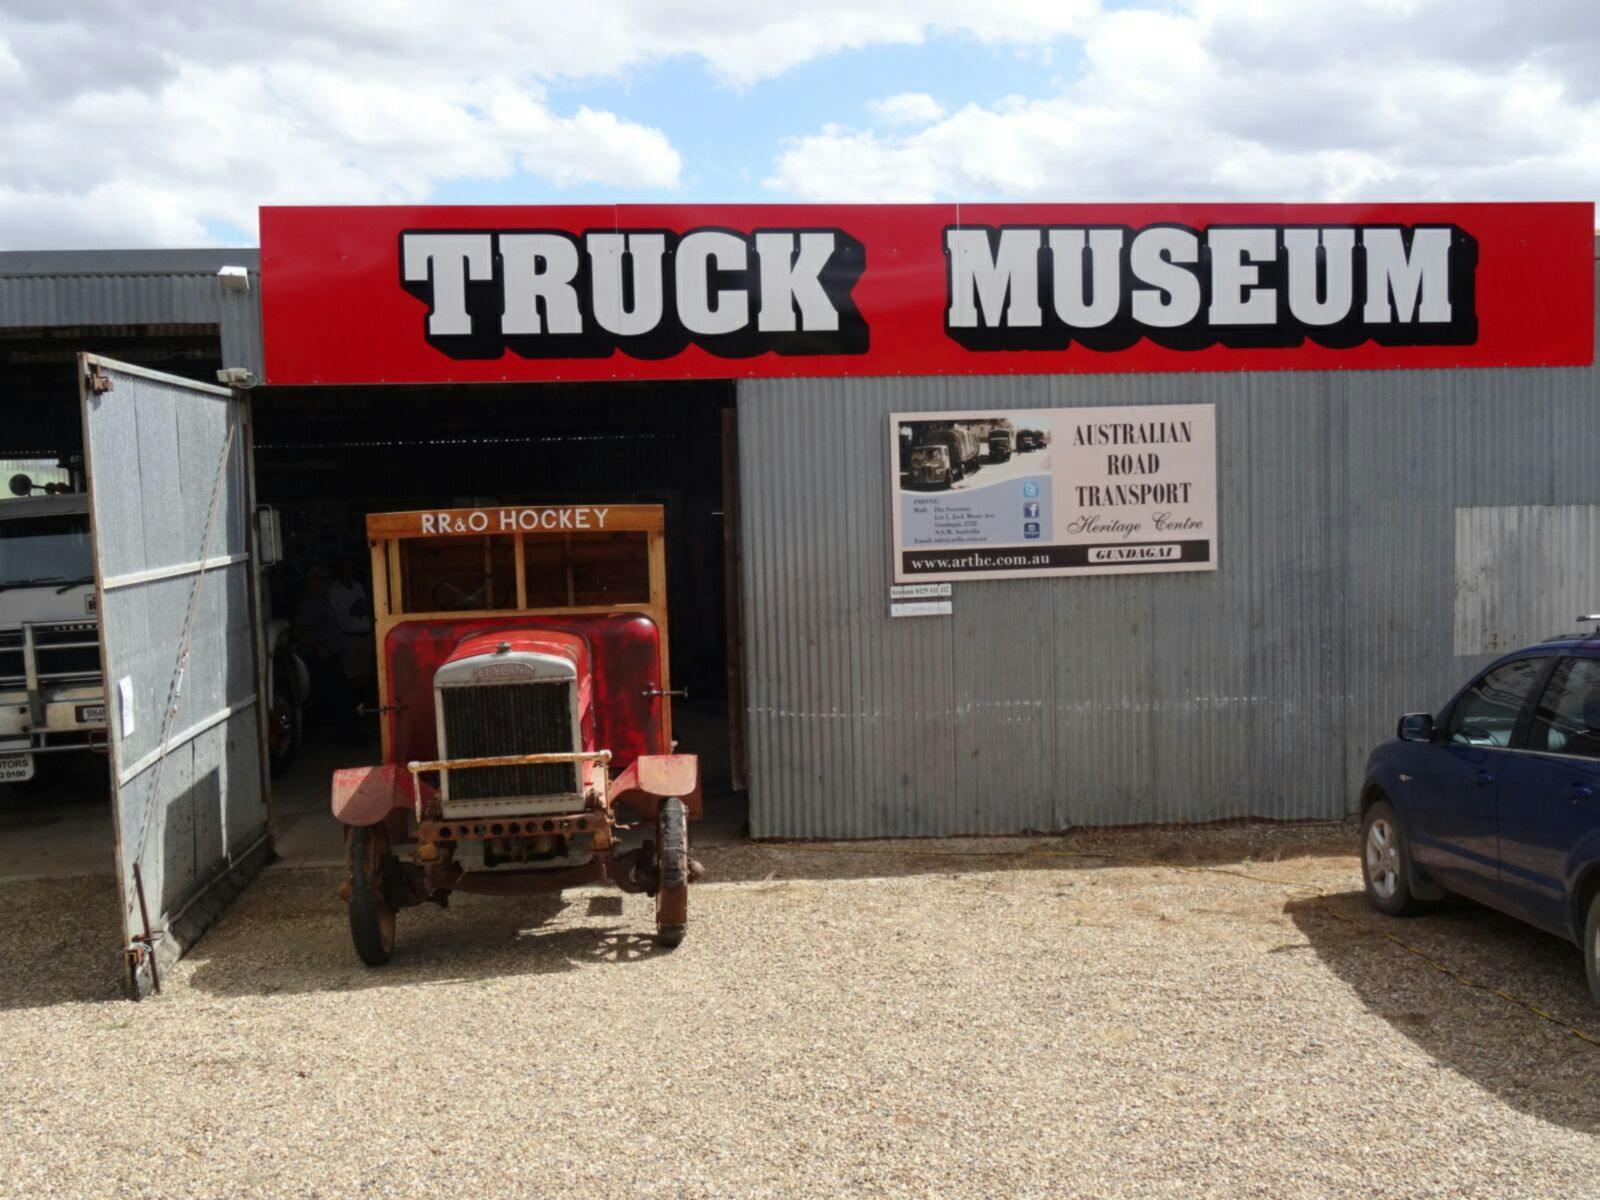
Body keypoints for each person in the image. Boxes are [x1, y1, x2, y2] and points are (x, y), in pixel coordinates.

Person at [293, 564, 357, 742]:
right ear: (311, 580)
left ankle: (346, 733)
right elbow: (298, 630)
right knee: (337, 694)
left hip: (332, 653)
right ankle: (345, 735)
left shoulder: (323, 599)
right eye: (321, 578)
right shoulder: (309, 602)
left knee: (338, 694)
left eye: (327, 579)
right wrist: (319, 647)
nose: (325, 582)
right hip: (322, 655)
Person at [328, 558, 374, 700]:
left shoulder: (357, 586)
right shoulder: (334, 590)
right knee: (353, 677)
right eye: (345, 569)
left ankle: (366, 703)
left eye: (350, 568)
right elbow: (336, 615)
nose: (348, 572)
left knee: (366, 674)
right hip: (349, 637)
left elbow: (364, 607)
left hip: (365, 635)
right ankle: (355, 704)